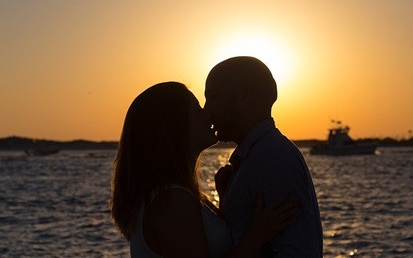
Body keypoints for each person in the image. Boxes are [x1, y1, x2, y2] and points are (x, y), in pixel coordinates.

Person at [110, 82, 300, 258]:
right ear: (177, 127)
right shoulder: (171, 201)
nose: (208, 113)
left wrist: (225, 203)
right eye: (198, 110)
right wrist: (257, 235)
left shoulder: (173, 195)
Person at [204, 56, 323, 257]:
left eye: (213, 97)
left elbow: (297, 251)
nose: (207, 111)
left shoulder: (273, 158)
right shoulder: (256, 157)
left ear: (244, 96)